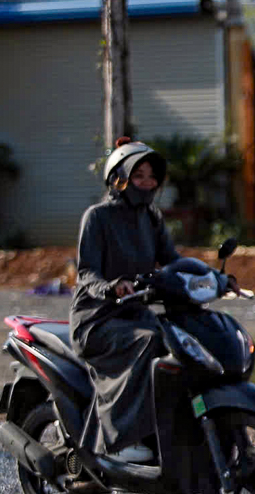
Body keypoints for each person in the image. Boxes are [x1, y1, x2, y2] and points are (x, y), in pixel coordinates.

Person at [70, 137, 179, 464]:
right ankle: (122, 439)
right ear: (119, 178)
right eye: (138, 174)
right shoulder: (97, 217)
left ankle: (165, 433)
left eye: (151, 176)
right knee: (148, 342)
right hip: (97, 320)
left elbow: (173, 260)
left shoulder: (152, 218)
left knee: (178, 341)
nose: (147, 182)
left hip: (134, 316)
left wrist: (213, 278)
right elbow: (86, 272)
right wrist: (111, 287)